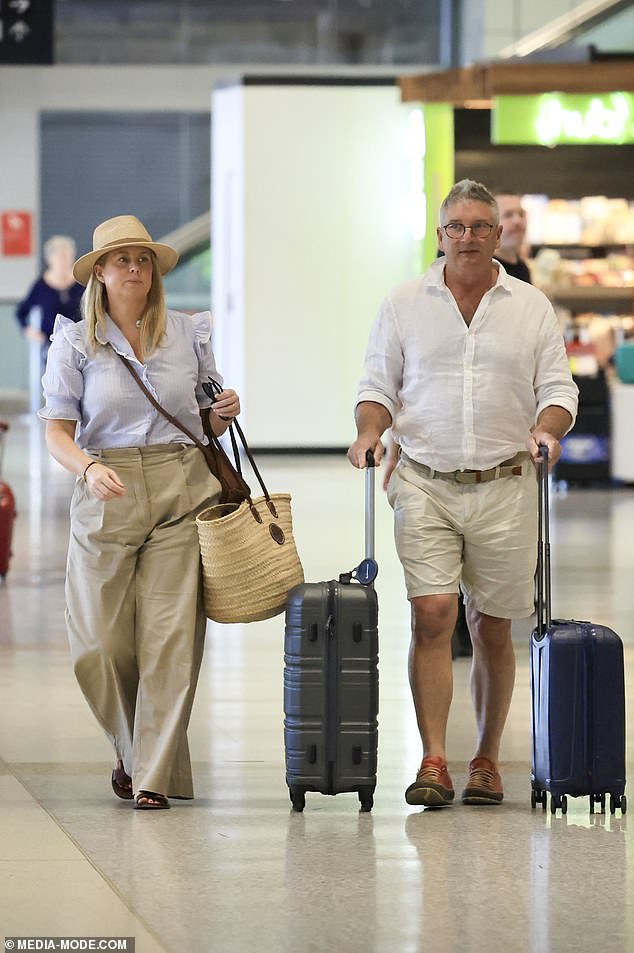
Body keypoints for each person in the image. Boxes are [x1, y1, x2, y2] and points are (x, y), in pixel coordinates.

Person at [348, 179, 578, 808]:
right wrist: (370, 431)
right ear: (440, 233)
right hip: (425, 480)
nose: (468, 237)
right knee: (433, 615)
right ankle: (433, 759)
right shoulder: (403, 303)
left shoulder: (530, 307)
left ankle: (486, 758)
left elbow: (560, 389)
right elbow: (378, 384)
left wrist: (546, 430)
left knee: (494, 629)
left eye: (480, 226)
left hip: (506, 484)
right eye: (457, 227)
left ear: (497, 234)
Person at [39, 214, 241, 810]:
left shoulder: (189, 333)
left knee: (170, 639)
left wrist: (220, 411)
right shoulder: (75, 342)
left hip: (182, 488)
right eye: (122, 260)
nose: (135, 269)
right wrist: (87, 467)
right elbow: (56, 431)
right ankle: (131, 751)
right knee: (99, 643)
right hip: (108, 489)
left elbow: (202, 412)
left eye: (143, 259)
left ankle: (151, 777)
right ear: (98, 272)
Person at [15, 235, 83, 376]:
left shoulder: (81, 283)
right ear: (50, 259)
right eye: (60, 257)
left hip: (80, 344)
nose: (64, 262)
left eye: (68, 257)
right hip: (51, 346)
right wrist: (29, 331)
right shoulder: (40, 286)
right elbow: (21, 312)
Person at [491, 189, 532, 283]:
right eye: (508, 215)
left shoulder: (522, 268)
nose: (518, 221)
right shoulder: (488, 271)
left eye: (521, 214)